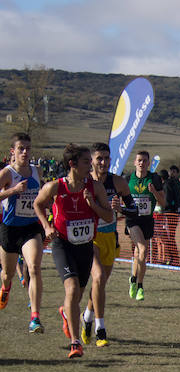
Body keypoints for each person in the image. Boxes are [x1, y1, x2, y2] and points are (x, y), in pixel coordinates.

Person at [33, 143, 113, 358]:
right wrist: (47, 227)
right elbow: (38, 204)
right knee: (71, 288)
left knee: (76, 296)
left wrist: (92, 204)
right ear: (72, 164)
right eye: (86, 162)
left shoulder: (95, 188)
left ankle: (66, 313)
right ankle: (75, 343)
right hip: (63, 244)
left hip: (85, 246)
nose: (91, 165)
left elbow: (108, 217)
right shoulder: (56, 187)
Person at [80, 142, 132, 347]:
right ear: (91, 160)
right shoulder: (83, 182)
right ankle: (100, 330)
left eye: (106, 158)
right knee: (98, 277)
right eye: (99, 158)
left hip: (111, 237)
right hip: (89, 238)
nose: (103, 162)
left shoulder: (118, 182)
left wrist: (122, 208)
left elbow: (134, 210)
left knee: (99, 285)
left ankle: (87, 318)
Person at [0, 132, 45, 333]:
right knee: (8, 273)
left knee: (34, 267)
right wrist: (13, 190)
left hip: (31, 228)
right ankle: (6, 287)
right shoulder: (7, 174)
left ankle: (34, 317)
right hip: (10, 229)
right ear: (13, 152)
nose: (25, 152)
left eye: (28, 148)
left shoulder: (37, 171)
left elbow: (42, 196)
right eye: (21, 148)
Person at [123, 150, 164, 301]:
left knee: (140, 254)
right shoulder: (128, 178)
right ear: (135, 162)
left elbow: (163, 202)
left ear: (148, 163)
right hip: (132, 220)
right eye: (139, 160)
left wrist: (153, 191)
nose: (141, 163)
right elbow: (121, 198)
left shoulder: (154, 179)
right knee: (143, 249)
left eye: (144, 161)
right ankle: (139, 286)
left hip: (147, 220)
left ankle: (133, 278)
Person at [161, 164, 180, 266]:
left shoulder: (174, 184)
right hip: (169, 211)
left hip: (170, 212)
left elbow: (172, 198)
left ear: (177, 173)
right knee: (166, 236)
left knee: (170, 236)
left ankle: (174, 258)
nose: (172, 173)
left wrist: (170, 205)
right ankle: (170, 257)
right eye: (171, 171)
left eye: (174, 171)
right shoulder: (170, 183)